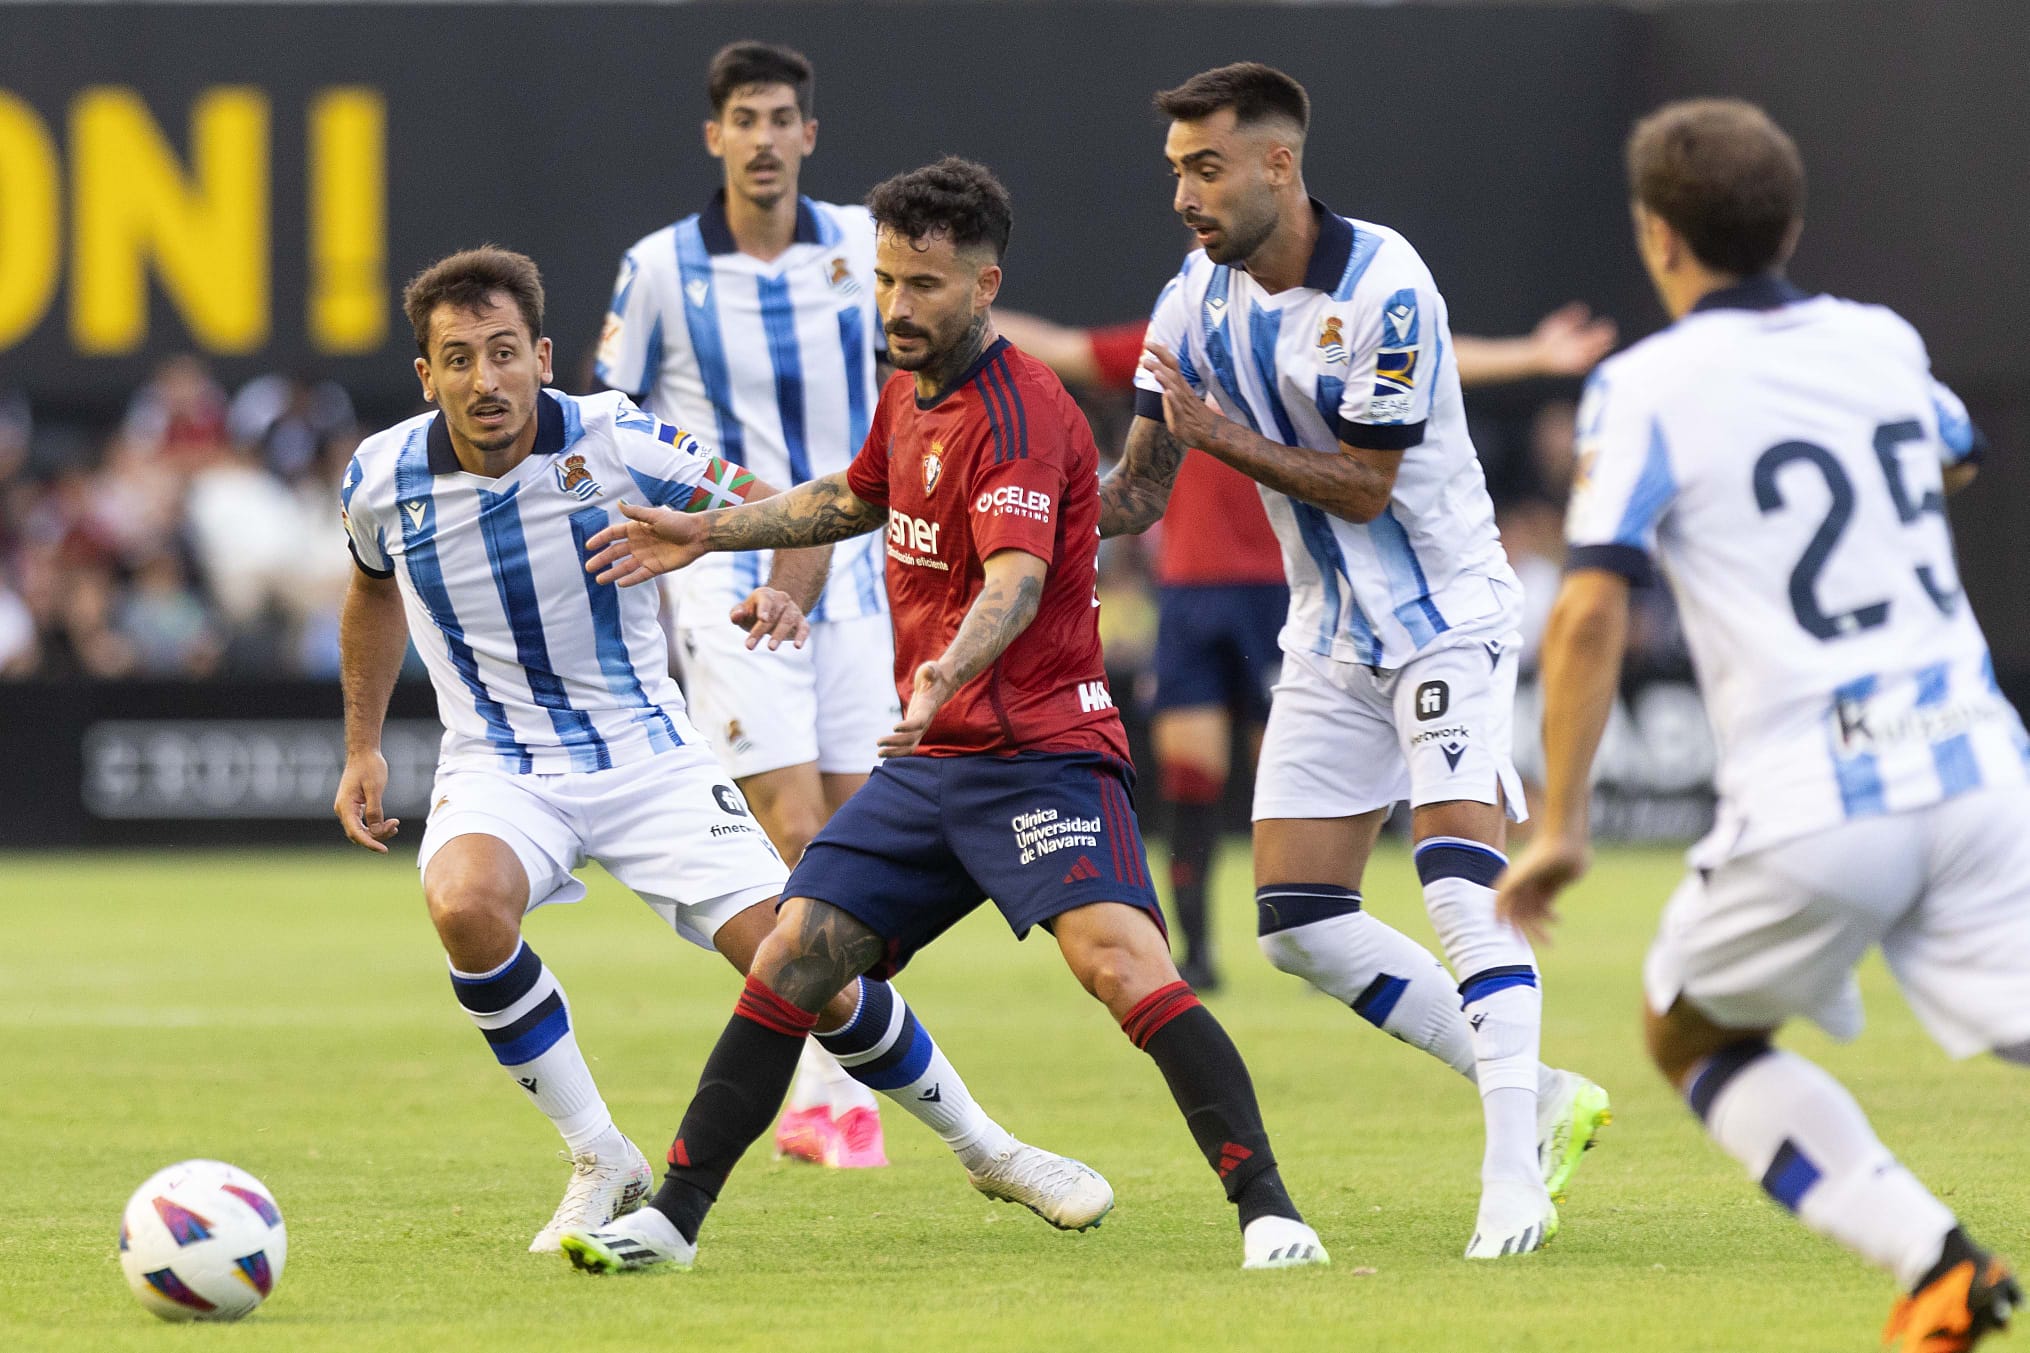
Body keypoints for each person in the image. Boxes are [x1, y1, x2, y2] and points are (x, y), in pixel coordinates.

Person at [560, 158, 1326, 1274]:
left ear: (982, 283)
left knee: (1120, 968)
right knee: (791, 956)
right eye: (883, 280)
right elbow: (848, 499)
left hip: (1042, 756)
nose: (896, 307)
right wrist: (709, 534)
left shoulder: (1019, 413)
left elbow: (1011, 584)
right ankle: (669, 1223)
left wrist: (935, 679)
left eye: (922, 285)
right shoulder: (909, 394)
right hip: (933, 763)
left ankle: (1270, 1212)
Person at [333, 245, 1112, 1255]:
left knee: (808, 971)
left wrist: (787, 588)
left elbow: (796, 511)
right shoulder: (381, 478)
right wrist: (361, 744)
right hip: (501, 762)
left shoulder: (611, 437)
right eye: (458, 359)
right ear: (424, 376)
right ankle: (599, 1155)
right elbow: (368, 589)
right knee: (464, 905)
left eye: (504, 352)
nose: (486, 381)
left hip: (649, 754)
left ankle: (990, 1150)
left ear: (542, 356)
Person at [1498, 99, 2024, 1351]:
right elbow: (1956, 452)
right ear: (1789, 223)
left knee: (1689, 1030)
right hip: (1975, 760)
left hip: (1817, 788)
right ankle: (1936, 1274)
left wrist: (1562, 821)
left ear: (1655, 238)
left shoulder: (1645, 385)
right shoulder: (1879, 340)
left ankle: (1931, 1262)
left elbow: (1583, 612)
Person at [1096, 62, 1606, 1259]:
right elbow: (1134, 488)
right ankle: (1540, 1096)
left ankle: (1508, 1179)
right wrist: (1010, 508)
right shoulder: (1190, 300)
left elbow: (1367, 487)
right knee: (1297, 921)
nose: (1184, 195)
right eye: (1174, 170)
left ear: (1278, 163)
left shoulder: (1385, 284)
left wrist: (1215, 431)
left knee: (1451, 885)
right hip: (1326, 638)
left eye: (1206, 167)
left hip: (1446, 618)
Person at [997, 304, 1614, 990]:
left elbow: (1416, 362)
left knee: (1293, 785)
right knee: (1188, 773)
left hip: (1284, 590)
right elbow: (1066, 345)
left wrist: (1530, 353)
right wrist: (963, 317)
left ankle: (1342, 917)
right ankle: (1195, 954)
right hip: (1192, 591)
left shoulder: (1304, 329)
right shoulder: (1176, 338)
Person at [595, 40, 902, 1168]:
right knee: (792, 824)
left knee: (862, 836)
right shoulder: (661, 270)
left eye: (783, 118)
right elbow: (612, 428)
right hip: (728, 573)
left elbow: (914, 385)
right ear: (713, 135)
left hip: (862, 569)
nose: (764, 138)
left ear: (807, 136)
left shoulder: (868, 250)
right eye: (744, 119)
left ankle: (834, 1074)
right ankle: (836, 1096)